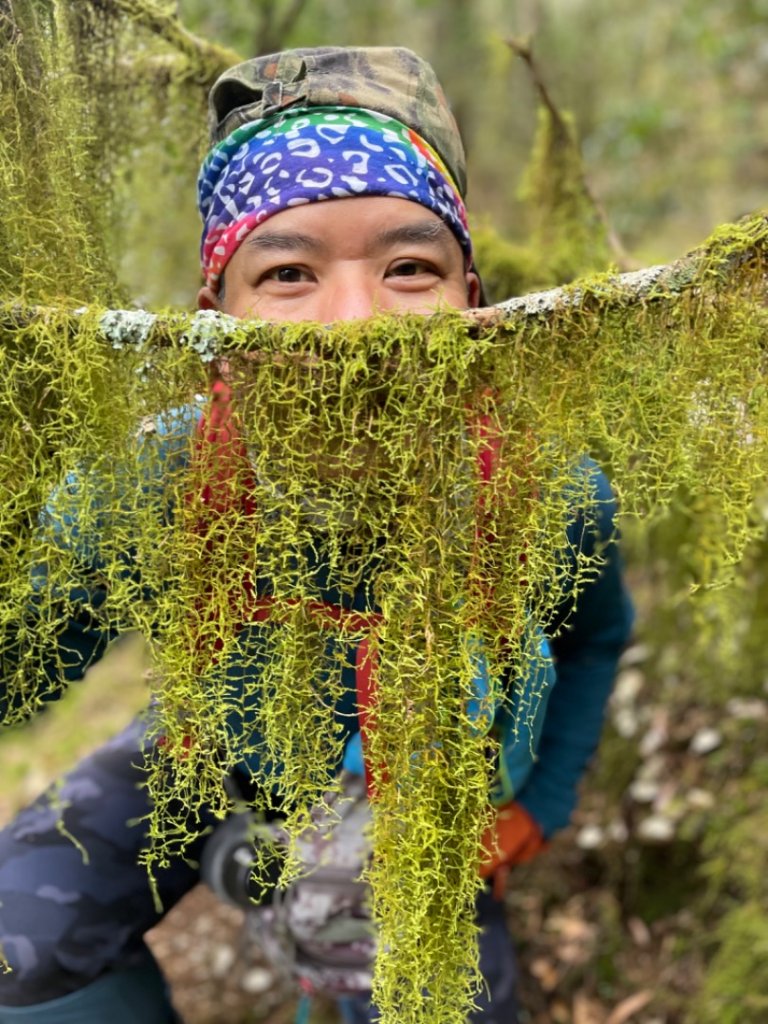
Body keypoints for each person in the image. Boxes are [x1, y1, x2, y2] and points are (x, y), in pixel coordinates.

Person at [0, 47, 633, 1023]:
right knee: (16, 944)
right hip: (215, 745)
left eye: (409, 265)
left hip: (423, 774)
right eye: (289, 270)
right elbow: (22, 649)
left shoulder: (540, 490)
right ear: (217, 318)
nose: (354, 323)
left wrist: (536, 805)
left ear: (473, 299)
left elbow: (595, 635)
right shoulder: (150, 479)